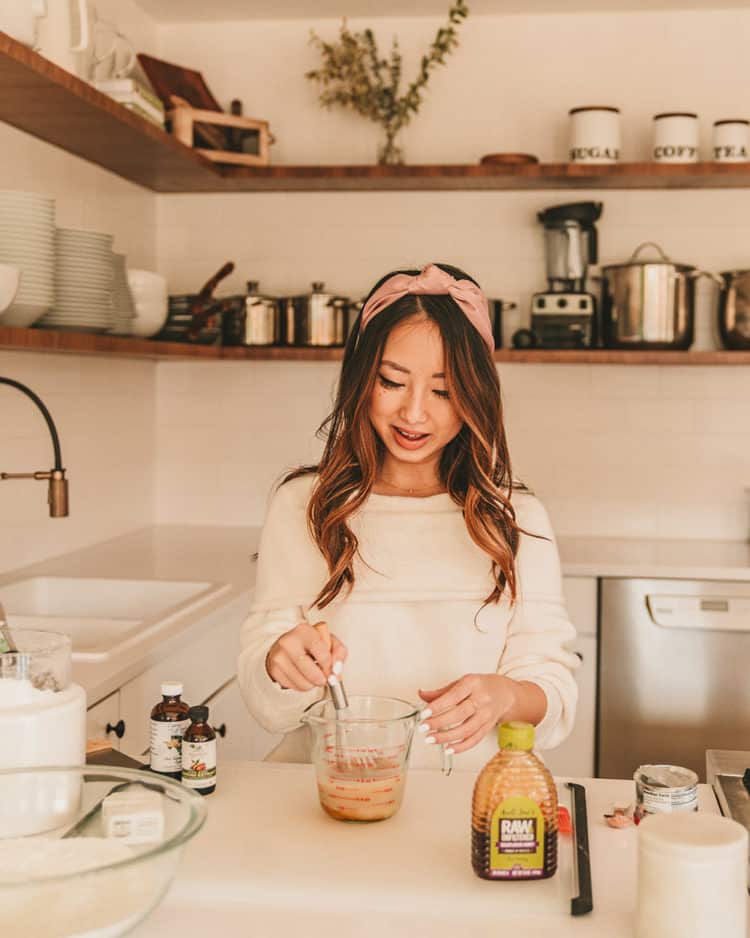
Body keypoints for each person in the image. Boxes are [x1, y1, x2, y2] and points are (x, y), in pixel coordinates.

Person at [238, 262, 578, 769]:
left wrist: (506, 696)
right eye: (392, 382)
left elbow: (555, 690)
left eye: (443, 390)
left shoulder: (514, 518)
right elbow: (268, 706)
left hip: (469, 803)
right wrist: (278, 662)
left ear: (475, 396)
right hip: (329, 795)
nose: (415, 414)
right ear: (362, 381)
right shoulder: (306, 506)